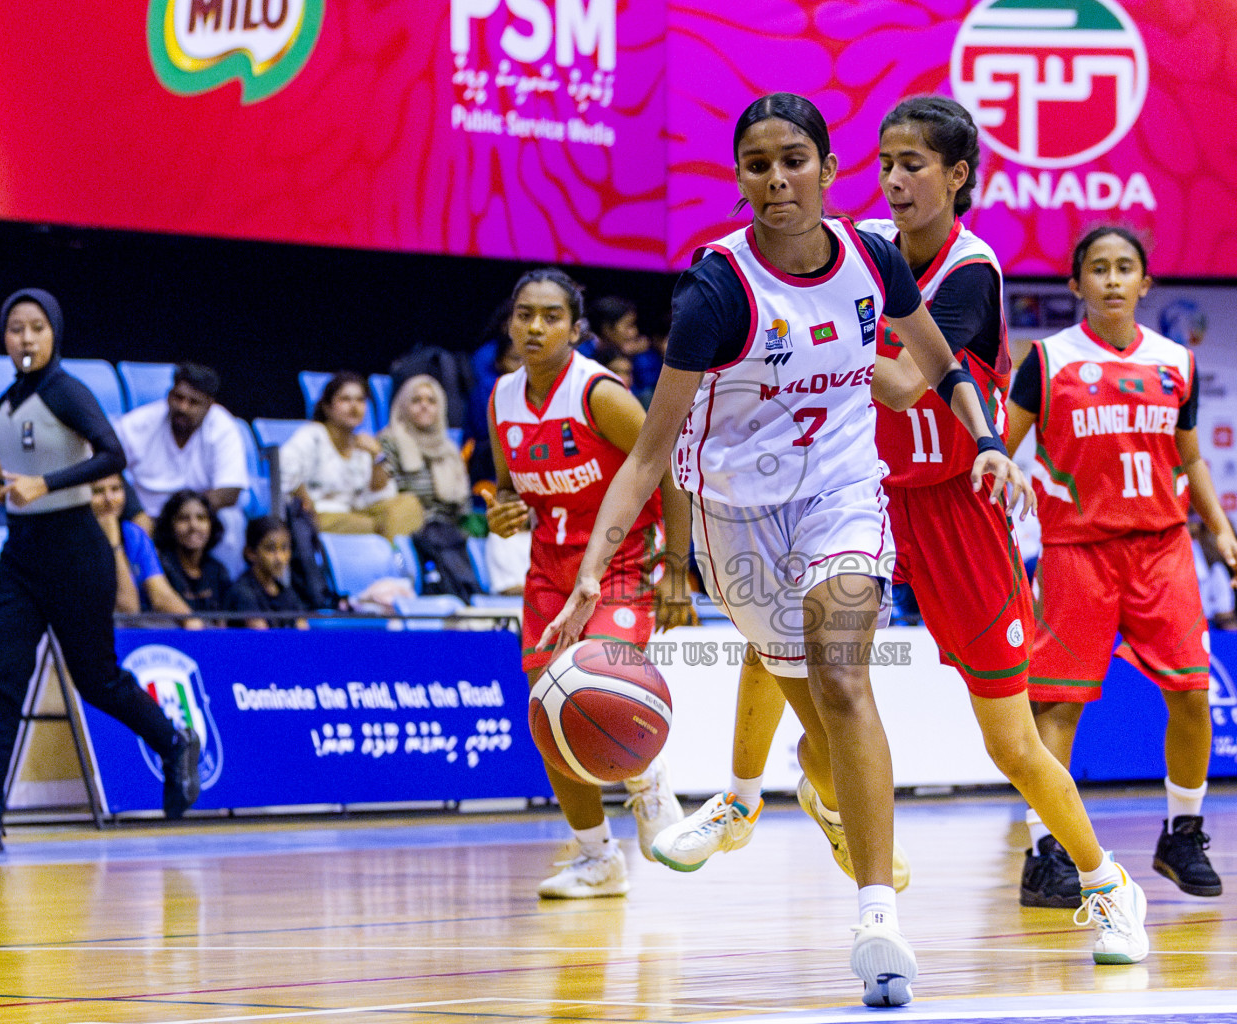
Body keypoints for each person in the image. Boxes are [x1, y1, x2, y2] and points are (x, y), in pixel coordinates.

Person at [648, 95, 1150, 966]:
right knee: (782, 645)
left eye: (913, 165)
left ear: (957, 177)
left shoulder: (966, 269)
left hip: (953, 505)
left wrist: (806, 334)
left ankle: (1106, 883)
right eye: (883, 163)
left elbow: (900, 384)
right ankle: (740, 798)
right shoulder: (851, 252)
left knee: (1010, 743)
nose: (893, 179)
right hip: (853, 490)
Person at [540, 93, 1016, 1008]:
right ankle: (798, 796)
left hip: (841, 491)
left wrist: (986, 437)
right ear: (742, 180)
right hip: (737, 517)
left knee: (845, 680)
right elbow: (648, 453)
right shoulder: (716, 289)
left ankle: (877, 921)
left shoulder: (874, 258)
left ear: (830, 172)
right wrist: (596, 570)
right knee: (814, 709)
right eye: (756, 164)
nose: (775, 178)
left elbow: (939, 364)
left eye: (793, 159)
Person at [1004, 227, 1237, 902]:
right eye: (1098, 269)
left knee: (1193, 693)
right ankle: (1046, 850)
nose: (1112, 280)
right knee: (1057, 706)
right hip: (1075, 553)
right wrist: (1002, 501)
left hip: (1162, 548)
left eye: (1125, 269)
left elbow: (1190, 456)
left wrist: (1222, 532)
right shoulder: (1049, 360)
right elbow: (1002, 445)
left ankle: (1183, 831)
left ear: (1145, 284)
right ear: (1075, 284)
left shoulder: (1177, 361)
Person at [485, 267, 693, 901]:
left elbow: (669, 472)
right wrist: (502, 514)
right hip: (549, 570)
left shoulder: (599, 394)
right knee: (547, 712)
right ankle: (598, 857)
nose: (536, 327)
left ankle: (646, 781)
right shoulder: (502, 400)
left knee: (599, 686)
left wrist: (679, 572)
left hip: (621, 562)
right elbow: (509, 496)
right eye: (525, 315)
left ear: (575, 330)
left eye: (551, 316)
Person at [0, 288, 199, 851]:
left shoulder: (67, 391)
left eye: (36, 327)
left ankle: (174, 741)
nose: (26, 338)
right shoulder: (7, 403)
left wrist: (48, 484)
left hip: (75, 550)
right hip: (22, 553)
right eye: (15, 329)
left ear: (54, 333)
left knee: (97, 680)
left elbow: (113, 455)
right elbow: (15, 473)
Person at [114, 362, 250, 572]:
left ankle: (225, 597)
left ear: (209, 405)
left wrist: (180, 517)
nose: (183, 407)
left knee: (232, 521)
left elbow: (230, 491)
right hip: (142, 517)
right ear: (169, 394)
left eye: (193, 402)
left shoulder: (223, 427)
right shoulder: (139, 423)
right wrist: (135, 511)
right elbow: (107, 467)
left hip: (193, 516)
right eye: (178, 398)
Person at [279, 371, 424, 540]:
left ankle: (391, 553)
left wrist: (377, 457)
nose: (354, 406)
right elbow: (283, 468)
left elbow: (381, 497)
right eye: (345, 399)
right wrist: (303, 497)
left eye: (360, 400)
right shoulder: (313, 436)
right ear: (327, 407)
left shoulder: (363, 445)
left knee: (409, 504)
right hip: (320, 516)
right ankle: (392, 554)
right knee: (371, 526)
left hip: (355, 512)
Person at [90, 474, 193, 619]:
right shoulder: (74, 538)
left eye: (116, 489)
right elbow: (128, 608)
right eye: (98, 492)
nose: (109, 498)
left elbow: (160, 595)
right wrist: (114, 545)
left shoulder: (133, 533)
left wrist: (194, 622)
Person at [378, 374, 472, 527]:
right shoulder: (389, 442)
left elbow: (463, 503)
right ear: (402, 406)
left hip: (448, 533)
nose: (424, 405)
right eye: (416, 400)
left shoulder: (449, 449)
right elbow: (386, 496)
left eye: (431, 401)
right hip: (408, 529)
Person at [154, 489, 232, 614]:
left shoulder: (218, 571)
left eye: (201, 518)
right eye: (183, 518)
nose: (193, 526)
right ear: (170, 525)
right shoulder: (158, 567)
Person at [224, 515, 309, 630]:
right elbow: (264, 640)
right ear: (251, 553)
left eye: (284, 548)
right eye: (270, 549)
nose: (279, 558)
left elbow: (303, 632)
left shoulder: (286, 592)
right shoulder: (242, 592)